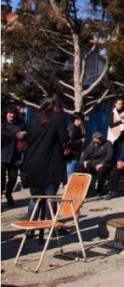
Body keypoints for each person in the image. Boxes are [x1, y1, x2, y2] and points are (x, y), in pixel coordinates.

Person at [21, 95, 68, 242]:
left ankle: (30, 228)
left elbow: (28, 138)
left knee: (35, 198)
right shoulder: (58, 118)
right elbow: (64, 138)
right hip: (50, 163)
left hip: (32, 163)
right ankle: (52, 227)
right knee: (50, 197)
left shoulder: (34, 119)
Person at [2, 106, 25, 206]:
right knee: (1, 178)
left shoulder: (20, 124)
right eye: (10, 113)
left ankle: (8, 193)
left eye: (13, 113)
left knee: (13, 178)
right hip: (2, 155)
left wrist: (24, 134)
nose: (12, 115)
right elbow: (5, 134)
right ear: (6, 114)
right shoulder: (2, 124)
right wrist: (15, 135)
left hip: (15, 155)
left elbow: (25, 135)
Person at [78, 131, 114, 196]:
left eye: (100, 137)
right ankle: (80, 187)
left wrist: (102, 163)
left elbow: (110, 155)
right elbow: (84, 157)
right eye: (98, 138)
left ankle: (99, 191)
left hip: (104, 165)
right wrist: (84, 162)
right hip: (93, 165)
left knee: (101, 170)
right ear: (94, 139)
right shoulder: (90, 146)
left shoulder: (107, 143)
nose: (100, 139)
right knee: (80, 167)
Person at [65, 111, 86, 179]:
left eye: (80, 120)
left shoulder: (74, 128)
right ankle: (69, 187)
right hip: (73, 154)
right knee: (70, 173)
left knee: (69, 172)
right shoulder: (74, 128)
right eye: (77, 120)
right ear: (74, 119)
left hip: (71, 154)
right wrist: (80, 141)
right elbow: (69, 142)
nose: (79, 122)